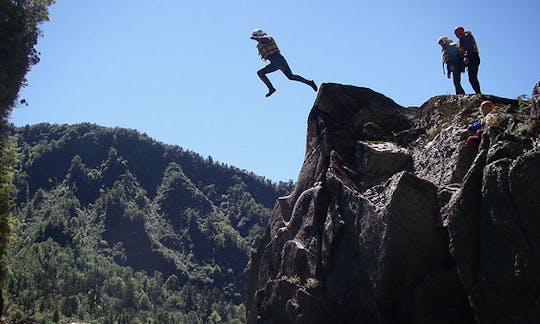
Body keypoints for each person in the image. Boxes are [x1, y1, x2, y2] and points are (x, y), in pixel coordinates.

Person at [250, 29, 317, 97]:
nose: (255, 38)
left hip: (278, 59)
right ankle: (271, 89)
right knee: (260, 73)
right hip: (274, 63)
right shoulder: (259, 45)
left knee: (291, 76)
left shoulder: (267, 38)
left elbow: (266, 40)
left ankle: (310, 82)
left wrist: (257, 38)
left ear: (259, 34)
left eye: (255, 35)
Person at [454, 26, 481, 94]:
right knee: (472, 77)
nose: (455, 35)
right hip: (473, 57)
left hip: (472, 57)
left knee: (472, 77)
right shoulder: (463, 38)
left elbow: (468, 47)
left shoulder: (465, 36)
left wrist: (466, 56)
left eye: (456, 33)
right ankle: (478, 92)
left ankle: (478, 93)